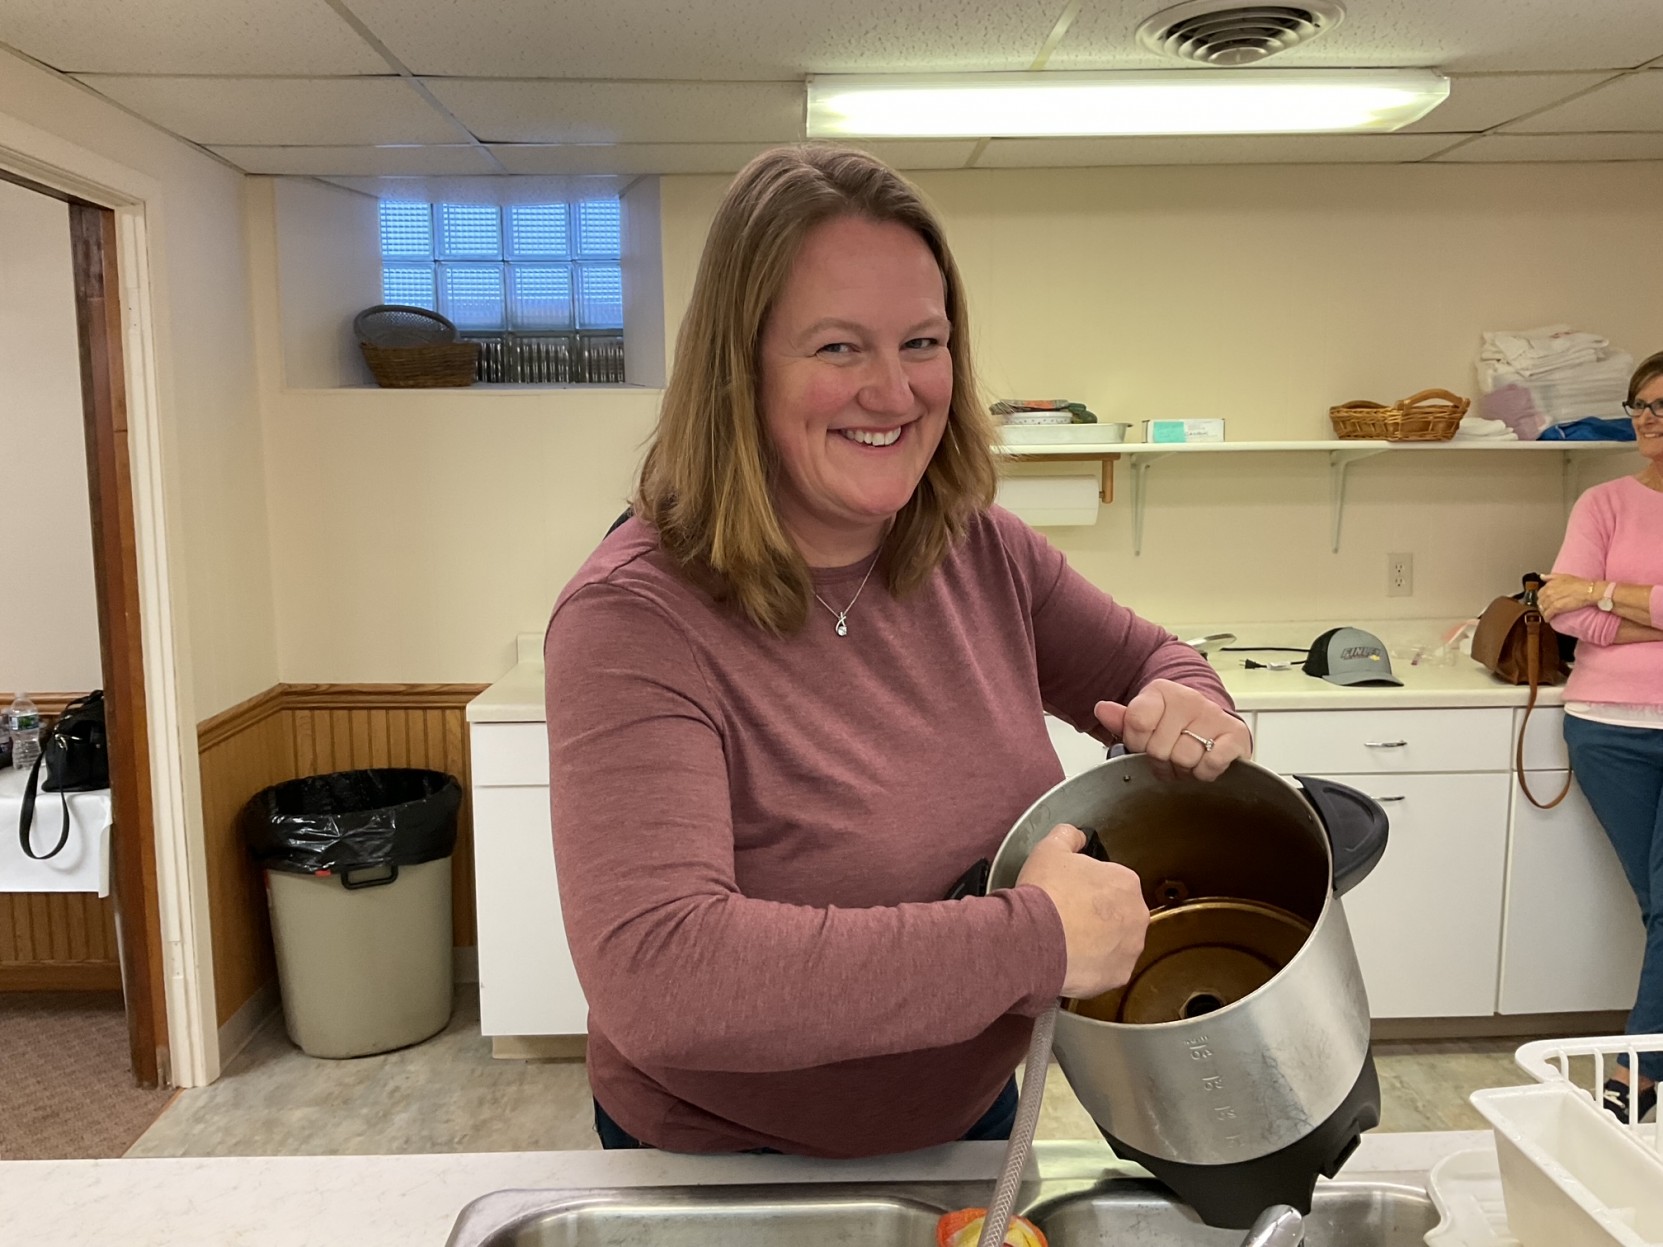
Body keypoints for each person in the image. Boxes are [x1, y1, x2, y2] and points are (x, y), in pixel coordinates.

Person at [543, 143, 1251, 1157]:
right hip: (724, 1161)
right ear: (739, 371)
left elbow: (1157, 663)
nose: (893, 390)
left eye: (922, 341)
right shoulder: (633, 618)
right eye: (838, 347)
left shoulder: (981, 548)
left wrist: (1190, 703)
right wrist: (1033, 941)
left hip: (968, 1122)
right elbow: (660, 974)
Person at [1540, 349, 1663, 1124]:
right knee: (1659, 906)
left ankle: (1633, 1076)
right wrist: (1638, 604)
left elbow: (1589, 601)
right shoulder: (1603, 502)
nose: (1648, 419)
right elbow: (1563, 611)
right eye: (1639, 405)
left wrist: (1605, 592)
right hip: (1605, 729)